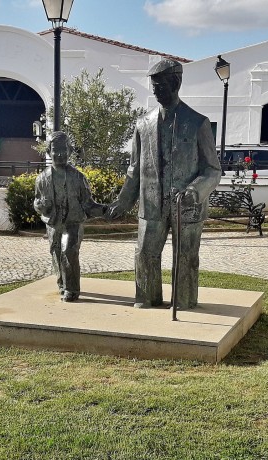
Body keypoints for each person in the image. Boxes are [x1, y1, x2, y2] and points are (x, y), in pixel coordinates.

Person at [108, 58, 222, 310]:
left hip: (187, 207)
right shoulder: (143, 125)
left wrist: (195, 190)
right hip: (151, 204)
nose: (154, 90)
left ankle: (183, 301)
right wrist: (124, 201)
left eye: (160, 85)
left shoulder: (197, 123)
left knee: (185, 257)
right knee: (145, 254)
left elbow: (212, 170)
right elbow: (134, 168)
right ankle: (147, 297)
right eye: (153, 85)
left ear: (176, 83)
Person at [33, 131, 104, 302]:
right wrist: (39, 206)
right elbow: (36, 200)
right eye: (55, 150)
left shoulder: (79, 178)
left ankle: (72, 289)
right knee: (56, 253)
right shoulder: (42, 179)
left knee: (69, 251)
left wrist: (106, 211)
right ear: (49, 152)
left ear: (70, 151)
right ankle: (63, 284)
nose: (59, 154)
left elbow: (88, 204)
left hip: (73, 221)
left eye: (63, 150)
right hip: (53, 223)